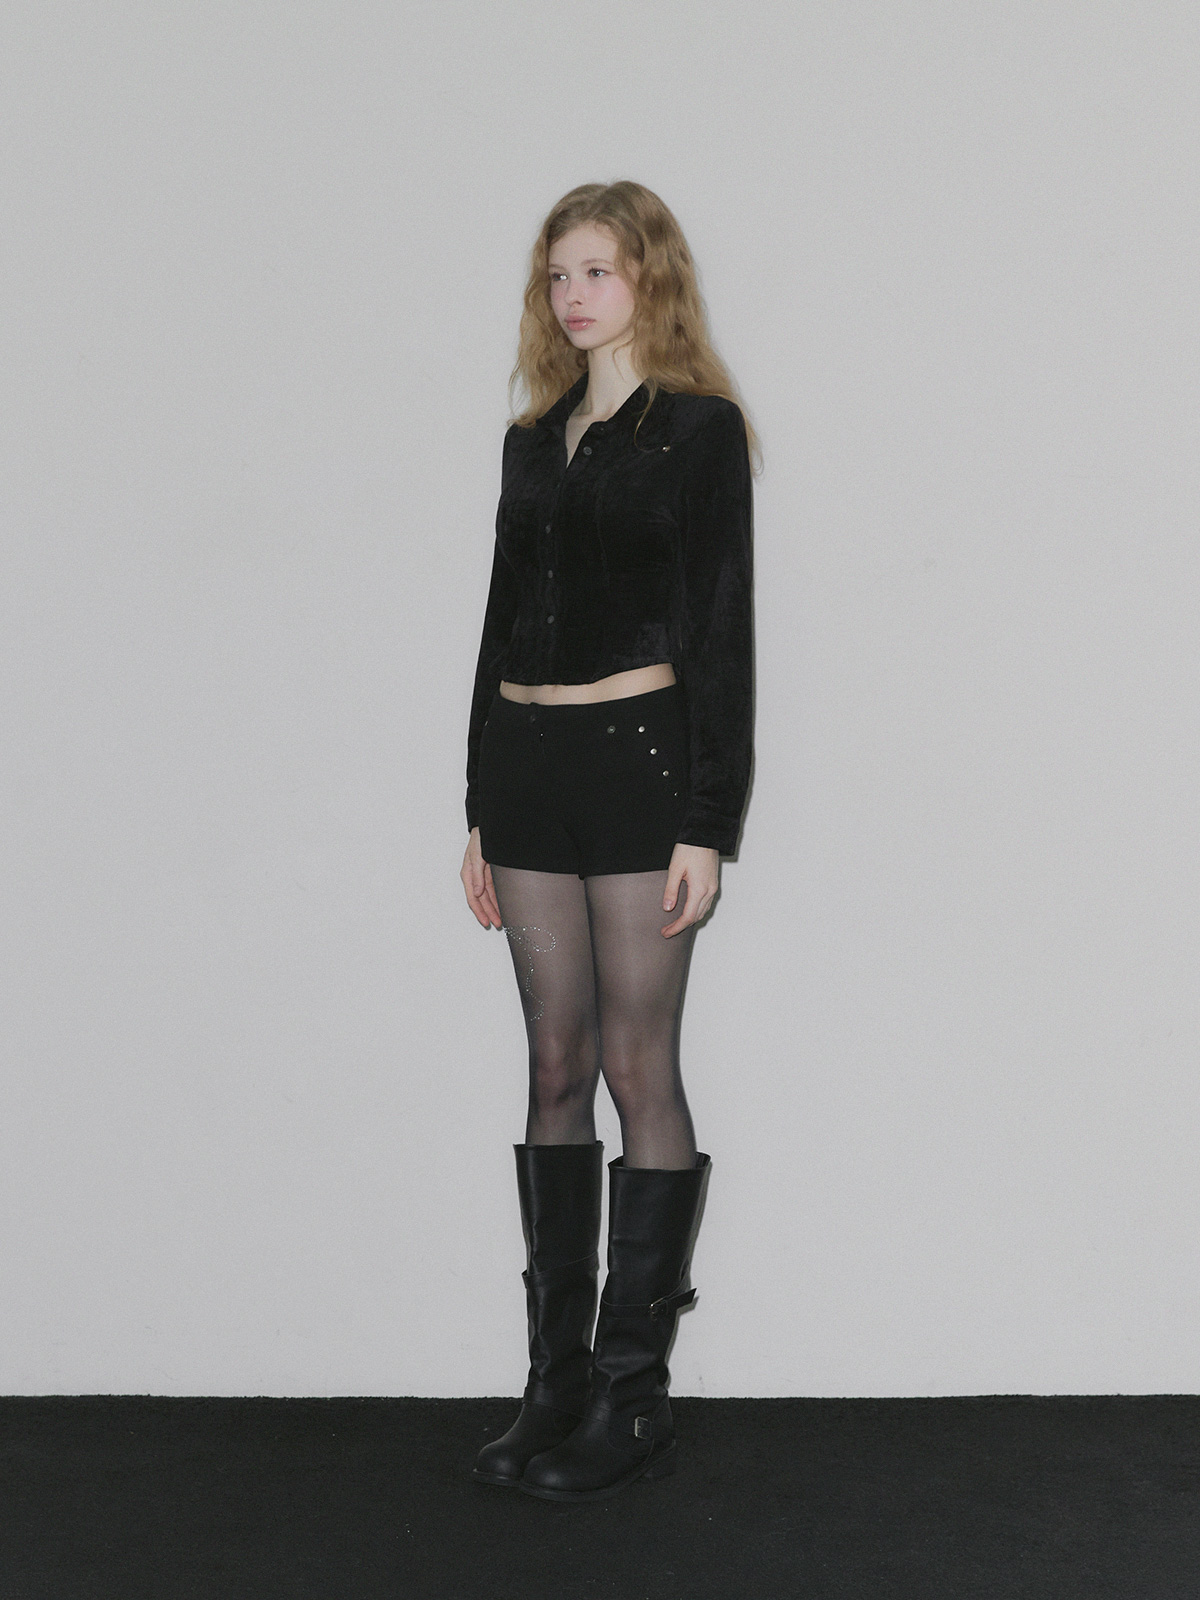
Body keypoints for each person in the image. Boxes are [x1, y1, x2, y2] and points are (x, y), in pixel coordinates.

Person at [460, 180, 755, 1502]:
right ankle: (555, 1385)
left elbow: (723, 629)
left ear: (650, 277)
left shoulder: (697, 432)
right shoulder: (534, 441)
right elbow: (497, 619)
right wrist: (477, 802)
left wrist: (710, 819)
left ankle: (633, 1397)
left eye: (600, 270)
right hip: (529, 769)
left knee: (639, 1064)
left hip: (641, 764)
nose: (575, 295)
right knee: (553, 1064)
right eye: (559, 273)